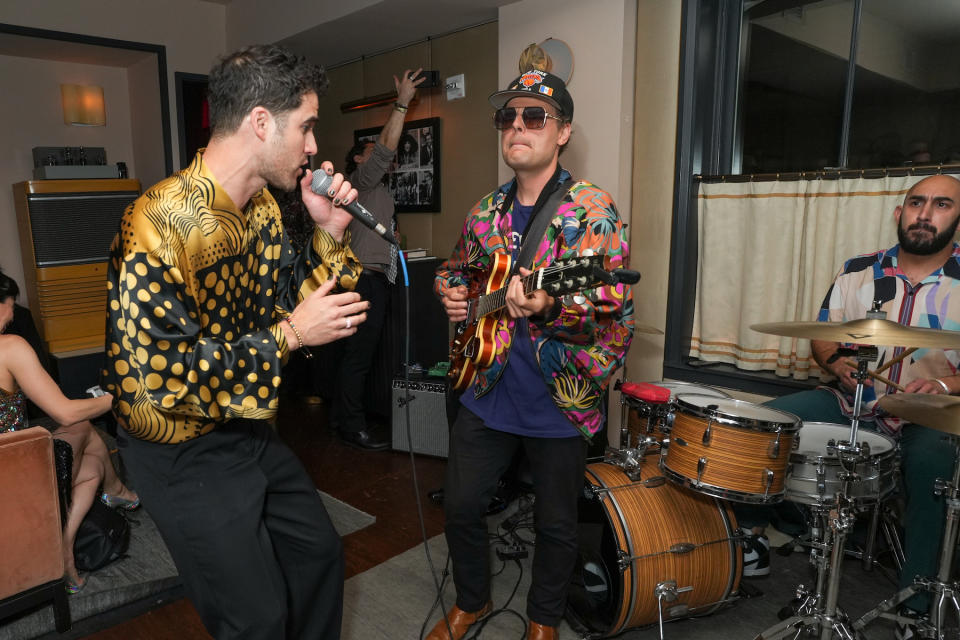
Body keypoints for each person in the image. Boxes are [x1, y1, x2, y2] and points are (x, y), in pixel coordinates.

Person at [100, 44, 371, 640]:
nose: (313, 147)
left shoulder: (266, 212)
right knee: (255, 619)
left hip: (243, 425)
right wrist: (292, 334)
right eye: (306, 127)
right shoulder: (158, 222)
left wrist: (329, 233)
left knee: (317, 555)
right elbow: (165, 377)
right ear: (260, 122)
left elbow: (293, 308)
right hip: (177, 444)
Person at [429, 68, 634, 640]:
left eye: (534, 116)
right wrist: (449, 292)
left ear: (562, 131)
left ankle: (543, 621)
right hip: (486, 387)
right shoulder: (483, 211)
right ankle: (473, 600)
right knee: (462, 507)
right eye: (509, 116)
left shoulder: (592, 211)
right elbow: (456, 269)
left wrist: (549, 307)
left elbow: (613, 299)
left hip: (558, 398)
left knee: (557, 523)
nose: (517, 126)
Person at [743, 175, 960, 640]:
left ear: (956, 217)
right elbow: (823, 335)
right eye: (916, 202)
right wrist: (839, 362)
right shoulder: (859, 270)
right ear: (899, 213)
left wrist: (942, 381)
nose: (925, 213)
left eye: (941, 204)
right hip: (853, 402)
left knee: (933, 465)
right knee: (764, 426)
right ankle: (753, 537)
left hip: (932, 414)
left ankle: (916, 608)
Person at [0, 270, 139, 594]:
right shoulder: (9, 347)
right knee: (81, 425)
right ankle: (117, 493)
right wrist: (113, 400)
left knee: (91, 467)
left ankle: (68, 547)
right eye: (10, 306)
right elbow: (64, 411)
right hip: (15, 480)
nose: (11, 317)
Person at [331, 68, 425, 450]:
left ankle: (345, 417)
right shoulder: (360, 180)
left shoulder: (379, 193)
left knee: (361, 356)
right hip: (361, 281)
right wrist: (402, 102)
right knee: (358, 358)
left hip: (376, 279)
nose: (383, 159)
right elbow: (384, 149)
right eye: (372, 153)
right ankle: (351, 427)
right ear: (357, 159)